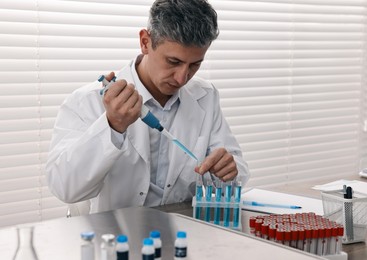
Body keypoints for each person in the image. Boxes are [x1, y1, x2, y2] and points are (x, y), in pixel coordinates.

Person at [46, 0, 250, 214]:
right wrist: (112, 126)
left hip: (183, 232)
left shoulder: (206, 97)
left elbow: (238, 171)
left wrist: (228, 169)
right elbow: (64, 188)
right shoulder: (86, 101)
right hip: (113, 237)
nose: (182, 78)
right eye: (173, 61)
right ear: (145, 42)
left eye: (195, 65)